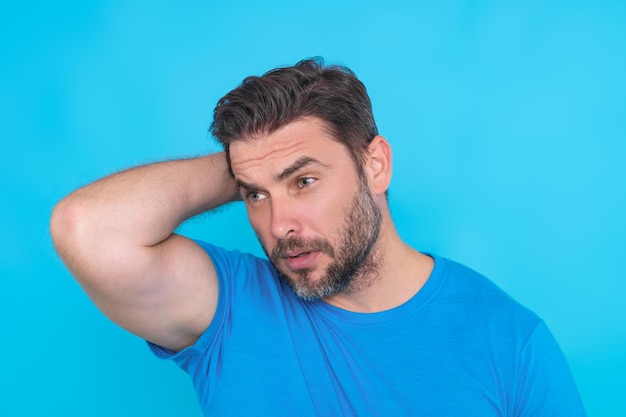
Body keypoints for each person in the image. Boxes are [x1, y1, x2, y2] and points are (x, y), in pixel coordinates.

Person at [51, 58, 586, 416]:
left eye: (304, 181)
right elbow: (86, 227)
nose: (279, 224)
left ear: (374, 165)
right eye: (255, 195)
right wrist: (251, 162)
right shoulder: (231, 306)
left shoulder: (510, 340)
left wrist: (263, 164)